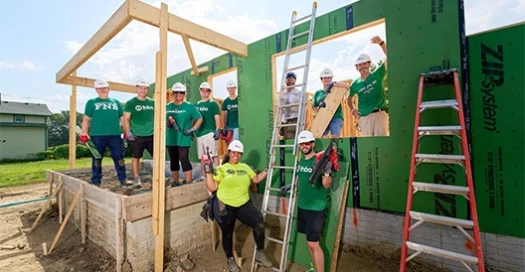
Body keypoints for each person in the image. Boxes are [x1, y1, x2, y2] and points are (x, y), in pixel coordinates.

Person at [204, 140, 273, 272]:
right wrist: (207, 172)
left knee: (258, 221)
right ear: (229, 152)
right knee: (228, 233)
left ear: (241, 154)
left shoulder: (245, 167)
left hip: (243, 204)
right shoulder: (221, 169)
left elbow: (256, 179)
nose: (236, 155)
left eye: (239, 153)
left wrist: (267, 170)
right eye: (234, 152)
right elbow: (212, 187)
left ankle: (260, 253)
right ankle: (230, 259)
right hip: (226, 205)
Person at [285, 130, 333, 272]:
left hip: (315, 208)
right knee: (309, 241)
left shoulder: (319, 161)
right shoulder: (302, 160)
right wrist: (292, 185)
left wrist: (327, 173)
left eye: (307, 143)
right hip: (303, 206)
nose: (304, 146)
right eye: (302, 144)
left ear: (312, 144)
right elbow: (300, 179)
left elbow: (326, 184)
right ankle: (314, 267)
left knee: (314, 244)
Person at [80, 79, 130, 187]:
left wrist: (127, 131)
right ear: (96, 90)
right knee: (97, 158)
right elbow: (86, 119)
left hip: (115, 135)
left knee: (119, 157)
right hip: (97, 136)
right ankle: (96, 180)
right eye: (100, 88)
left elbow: (122, 118)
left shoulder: (116, 102)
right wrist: (84, 133)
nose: (103, 90)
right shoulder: (91, 102)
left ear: (109, 88)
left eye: (104, 87)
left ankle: (123, 178)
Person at [347, 35, 389, 137]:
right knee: (367, 145)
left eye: (364, 64)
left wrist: (381, 43)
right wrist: (353, 110)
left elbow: (390, 56)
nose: (362, 66)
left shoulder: (378, 74)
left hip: (380, 114)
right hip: (364, 118)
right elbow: (349, 98)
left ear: (369, 64)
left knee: (382, 143)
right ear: (357, 68)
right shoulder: (355, 84)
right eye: (360, 65)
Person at [166, 82, 203, 186]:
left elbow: (199, 118)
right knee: (173, 160)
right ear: (173, 93)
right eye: (176, 92)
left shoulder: (189, 106)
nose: (179, 95)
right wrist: (166, 124)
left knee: (184, 159)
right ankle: (176, 181)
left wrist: (193, 129)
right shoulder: (167, 107)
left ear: (184, 94)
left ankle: (188, 182)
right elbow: (159, 120)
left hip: (183, 137)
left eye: (181, 92)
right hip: (171, 138)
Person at [123, 79, 154, 188]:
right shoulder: (131, 103)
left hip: (151, 135)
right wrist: (128, 132)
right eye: (141, 88)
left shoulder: (152, 102)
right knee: (136, 157)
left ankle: (158, 177)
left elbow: (157, 117)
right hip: (136, 136)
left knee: (158, 156)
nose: (143, 90)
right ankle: (137, 179)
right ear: (137, 88)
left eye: (145, 88)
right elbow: (126, 118)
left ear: (147, 90)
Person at [195, 81, 222, 175]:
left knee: (213, 155)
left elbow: (217, 118)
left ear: (209, 92)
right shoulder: (196, 105)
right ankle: (204, 177)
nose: (204, 92)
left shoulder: (212, 104)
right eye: (203, 90)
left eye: (207, 91)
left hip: (210, 133)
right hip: (199, 134)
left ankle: (217, 174)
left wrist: (218, 130)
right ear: (200, 91)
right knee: (203, 157)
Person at [312, 68, 344, 137]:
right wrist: (319, 107)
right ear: (321, 79)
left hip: (335, 117)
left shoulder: (336, 89)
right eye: (325, 78)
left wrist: (335, 85)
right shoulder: (318, 93)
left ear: (331, 78)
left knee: (335, 138)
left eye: (329, 77)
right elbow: (314, 108)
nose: (327, 79)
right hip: (322, 117)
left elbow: (346, 87)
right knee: (320, 137)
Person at [281, 72, 302, 139]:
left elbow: (304, 107)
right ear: (285, 80)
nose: (290, 80)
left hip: (296, 119)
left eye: (292, 79)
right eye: (288, 79)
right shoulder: (283, 94)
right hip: (286, 121)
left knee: (297, 140)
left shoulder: (298, 93)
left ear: (295, 80)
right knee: (289, 139)